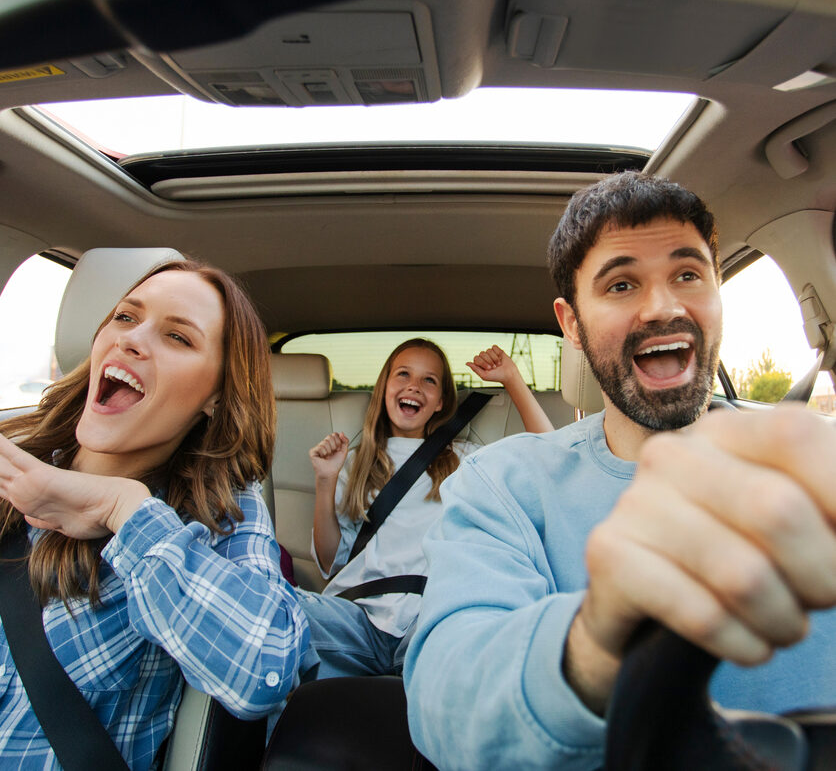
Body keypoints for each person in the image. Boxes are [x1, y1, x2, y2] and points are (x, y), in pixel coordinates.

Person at [404, 171, 836, 769]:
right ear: (572, 323)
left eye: (688, 274)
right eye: (622, 283)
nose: (663, 306)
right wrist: (595, 639)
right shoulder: (501, 485)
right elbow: (445, 698)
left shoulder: (813, 460)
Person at [0, 259, 309, 769]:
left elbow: (265, 668)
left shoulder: (215, 510)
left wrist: (121, 507)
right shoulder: (17, 448)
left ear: (214, 396)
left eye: (178, 337)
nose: (132, 339)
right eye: (125, 317)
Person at [298, 338, 553, 680]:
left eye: (429, 380)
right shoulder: (354, 462)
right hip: (355, 615)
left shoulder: (466, 458)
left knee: (476, 642)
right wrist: (326, 480)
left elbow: (551, 458)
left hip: (432, 613)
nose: (414, 386)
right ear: (384, 388)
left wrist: (512, 379)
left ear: (440, 403)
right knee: (282, 616)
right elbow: (330, 563)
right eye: (402, 374)